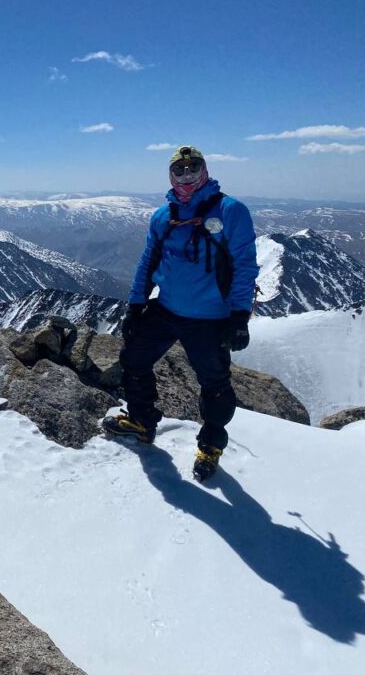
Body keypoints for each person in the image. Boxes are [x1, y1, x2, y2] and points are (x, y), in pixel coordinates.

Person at [102, 145, 259, 481]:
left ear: (205, 170)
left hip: (211, 317)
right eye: (180, 170)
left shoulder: (231, 211)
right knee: (134, 359)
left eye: (194, 168)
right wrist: (136, 303)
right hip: (167, 308)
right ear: (171, 175)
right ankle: (142, 421)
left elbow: (245, 265)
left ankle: (211, 444)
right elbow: (149, 260)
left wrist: (239, 315)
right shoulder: (164, 216)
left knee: (214, 384)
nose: (187, 176)